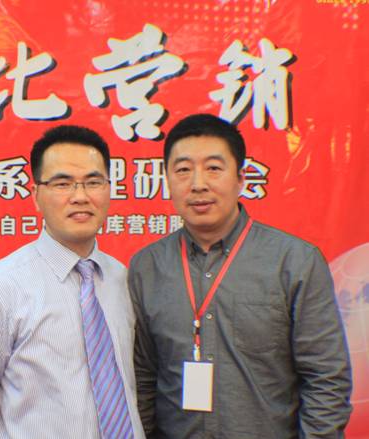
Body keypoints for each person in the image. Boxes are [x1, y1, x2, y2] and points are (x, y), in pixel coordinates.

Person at [128, 114, 352, 438]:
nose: (198, 184)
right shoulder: (146, 267)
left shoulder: (294, 262)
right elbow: (143, 377)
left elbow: (326, 378)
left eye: (213, 168)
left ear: (241, 178)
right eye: (183, 170)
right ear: (167, 180)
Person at [0, 125, 144, 438]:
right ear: (36, 195)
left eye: (93, 182)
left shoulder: (123, 279)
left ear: (109, 189)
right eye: (63, 184)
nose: (80, 196)